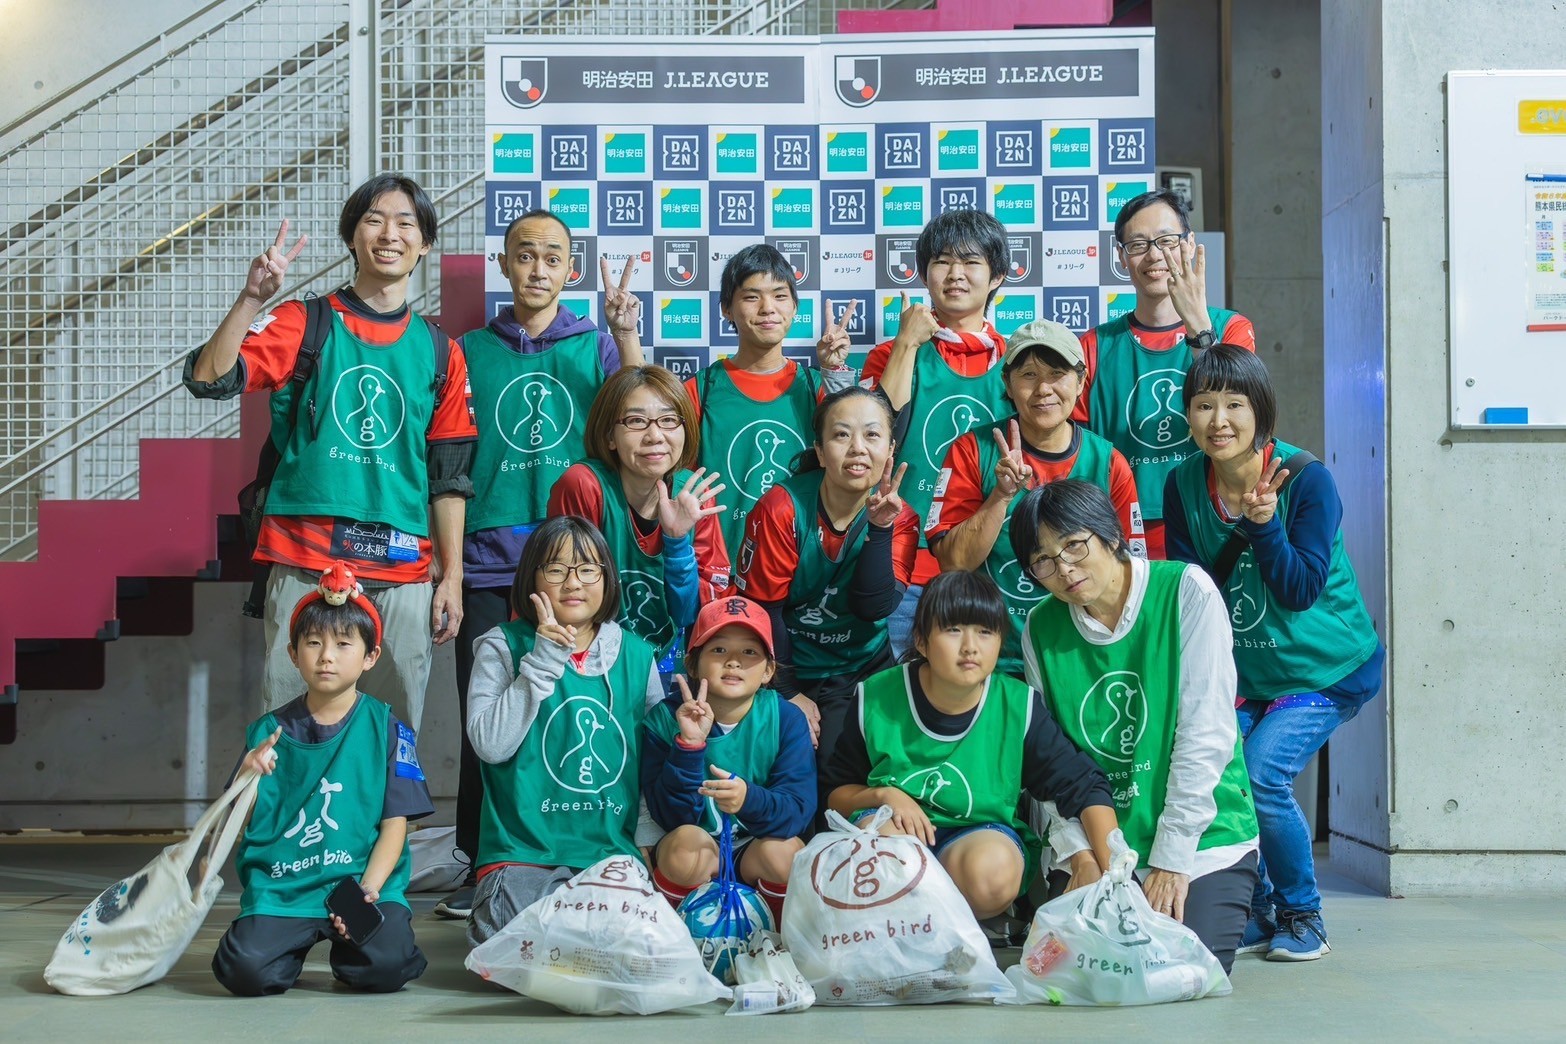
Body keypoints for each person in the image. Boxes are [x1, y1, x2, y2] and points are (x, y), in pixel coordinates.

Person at [183, 174, 477, 729]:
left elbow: (449, 476)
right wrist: (251, 300)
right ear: (352, 237)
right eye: (373, 220)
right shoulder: (305, 323)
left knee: (394, 739)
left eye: (405, 223)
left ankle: (391, 824)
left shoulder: (442, 352)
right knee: (288, 735)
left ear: (425, 244)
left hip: (402, 568)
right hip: (303, 559)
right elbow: (209, 379)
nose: (389, 234)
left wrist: (453, 575)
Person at [441, 209, 644, 919]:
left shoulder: (594, 347)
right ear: (504, 265)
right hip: (491, 564)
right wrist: (452, 571)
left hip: (577, 564)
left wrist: (625, 333)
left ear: (570, 270)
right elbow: (450, 460)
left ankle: (586, 848)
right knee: (490, 720)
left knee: (579, 713)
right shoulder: (466, 350)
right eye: (524, 255)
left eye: (552, 256)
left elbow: (647, 415)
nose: (537, 267)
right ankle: (481, 860)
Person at [1165, 344, 1384, 962]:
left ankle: (1303, 914)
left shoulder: (1306, 478)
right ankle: (1256, 909)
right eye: (1203, 405)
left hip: (1327, 669)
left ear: (1262, 411)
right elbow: (1192, 586)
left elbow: (1298, 590)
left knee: (1261, 771)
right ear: (1187, 416)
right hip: (1252, 675)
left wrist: (1263, 524)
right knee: (1213, 765)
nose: (1218, 420)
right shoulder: (1184, 483)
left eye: (1234, 404)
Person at [1013, 480, 1260, 974]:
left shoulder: (1185, 591)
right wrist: (1078, 855)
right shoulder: (1040, 628)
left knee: (1182, 970)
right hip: (1100, 845)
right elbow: (1047, 765)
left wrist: (1171, 858)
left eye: (1074, 546)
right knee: (1081, 973)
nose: (1064, 569)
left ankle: (1242, 905)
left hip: (1201, 839)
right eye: (1043, 561)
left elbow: (1205, 734)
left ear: (1111, 534)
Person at [823, 570, 1119, 920]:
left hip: (976, 838)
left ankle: (941, 933)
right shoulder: (875, 697)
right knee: (891, 854)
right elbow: (836, 797)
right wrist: (885, 796)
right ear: (920, 640)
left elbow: (1083, 785)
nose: (970, 647)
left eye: (985, 631)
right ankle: (912, 938)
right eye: (953, 630)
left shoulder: (1017, 705)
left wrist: (1115, 874)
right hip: (893, 832)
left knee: (992, 873)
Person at [211, 564, 432, 996]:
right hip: (285, 882)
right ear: (293, 654)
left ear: (371, 656)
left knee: (388, 967)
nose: (326, 655)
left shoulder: (387, 728)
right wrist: (246, 775)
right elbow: (238, 822)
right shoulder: (266, 732)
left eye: (343, 644)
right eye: (313, 643)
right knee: (244, 973)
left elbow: (395, 825)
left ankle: (349, 953)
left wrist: (367, 891)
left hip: (358, 883)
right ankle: (288, 951)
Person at [464, 515, 664, 946]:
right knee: (509, 934)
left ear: (607, 577)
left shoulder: (636, 655)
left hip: (606, 852)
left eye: (588, 569)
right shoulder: (501, 645)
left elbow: (649, 762)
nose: (573, 582)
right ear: (532, 576)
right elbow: (490, 745)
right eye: (556, 569)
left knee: (634, 938)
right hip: (522, 854)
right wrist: (541, 660)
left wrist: (647, 839)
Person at [928, 318, 1143, 678]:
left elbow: (1129, 573)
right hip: (993, 661)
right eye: (1028, 375)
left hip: (1081, 657)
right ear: (1007, 385)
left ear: (1081, 381)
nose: (1043, 388)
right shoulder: (972, 451)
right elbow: (954, 563)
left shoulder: (1108, 463)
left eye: (1057, 373)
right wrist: (1001, 496)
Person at [735, 386, 918, 775]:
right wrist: (789, 693)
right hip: (790, 665)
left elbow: (872, 608)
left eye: (872, 435)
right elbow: (763, 610)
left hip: (863, 664)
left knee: (874, 767)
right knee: (801, 766)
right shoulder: (782, 508)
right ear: (819, 452)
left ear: (890, 450)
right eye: (841, 434)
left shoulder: (901, 517)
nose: (857, 448)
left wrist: (881, 529)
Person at [855, 209, 1012, 656]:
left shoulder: (1019, 361)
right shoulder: (891, 353)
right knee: (898, 704)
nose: (956, 274)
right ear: (924, 273)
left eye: (971, 262)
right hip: (904, 567)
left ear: (997, 275)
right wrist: (906, 344)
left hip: (991, 569)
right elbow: (874, 432)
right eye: (943, 261)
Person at [1074, 189, 1256, 559]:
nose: (1155, 255)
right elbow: (1077, 453)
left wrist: (1199, 325)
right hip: (1122, 530)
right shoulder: (1092, 347)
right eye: (1139, 244)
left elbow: (1237, 417)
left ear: (1189, 245)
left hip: (1215, 520)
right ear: (1122, 258)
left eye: (1167, 241)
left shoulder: (1231, 328)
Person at [641, 596, 815, 925]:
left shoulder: (786, 717)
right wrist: (689, 746)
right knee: (685, 847)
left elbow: (798, 811)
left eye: (750, 651)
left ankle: (780, 944)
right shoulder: (664, 719)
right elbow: (670, 816)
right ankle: (674, 942)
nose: (733, 661)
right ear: (692, 665)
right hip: (698, 846)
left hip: (753, 847)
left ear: (768, 670)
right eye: (719, 650)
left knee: (786, 854)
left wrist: (748, 798)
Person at [546, 365, 728, 675]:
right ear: (610, 436)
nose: (655, 436)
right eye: (636, 421)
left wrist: (676, 542)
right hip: (588, 662)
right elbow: (566, 595)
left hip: (671, 667)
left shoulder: (693, 493)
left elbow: (689, 615)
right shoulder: (585, 486)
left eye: (669, 420)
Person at [685, 244, 856, 565]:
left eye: (780, 295)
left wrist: (835, 372)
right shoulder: (701, 389)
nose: (767, 308)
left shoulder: (817, 386)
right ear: (726, 308)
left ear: (794, 306)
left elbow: (852, 461)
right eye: (751, 297)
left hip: (801, 569)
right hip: (720, 572)